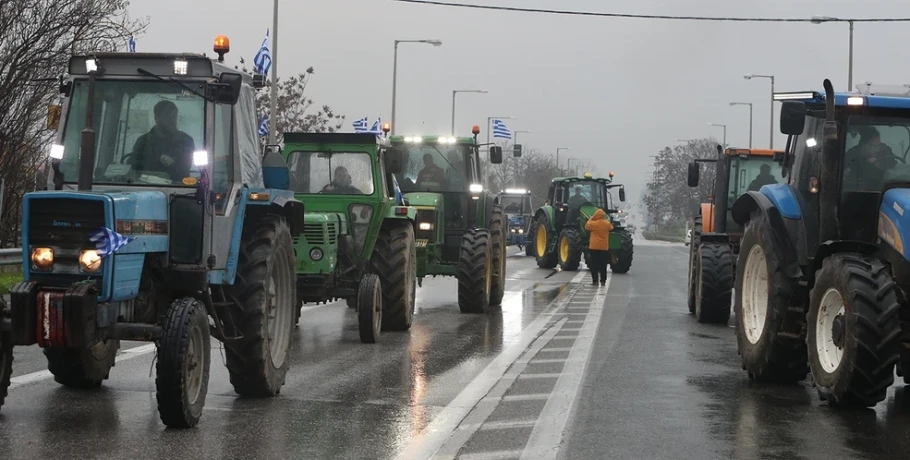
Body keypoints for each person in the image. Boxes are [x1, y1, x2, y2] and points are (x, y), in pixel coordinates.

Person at [130, 100, 195, 181]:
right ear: (156, 118)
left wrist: (173, 164)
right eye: (167, 116)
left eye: (174, 116)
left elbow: (186, 167)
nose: (172, 120)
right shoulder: (143, 141)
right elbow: (134, 168)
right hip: (145, 188)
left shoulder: (186, 141)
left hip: (178, 188)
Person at [585, 208, 614, 286]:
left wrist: (591, 218)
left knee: (594, 264)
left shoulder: (593, 224)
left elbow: (586, 226)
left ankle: (595, 281)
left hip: (594, 247)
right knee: (603, 265)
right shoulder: (606, 223)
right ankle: (603, 281)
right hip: (604, 248)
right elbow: (611, 228)